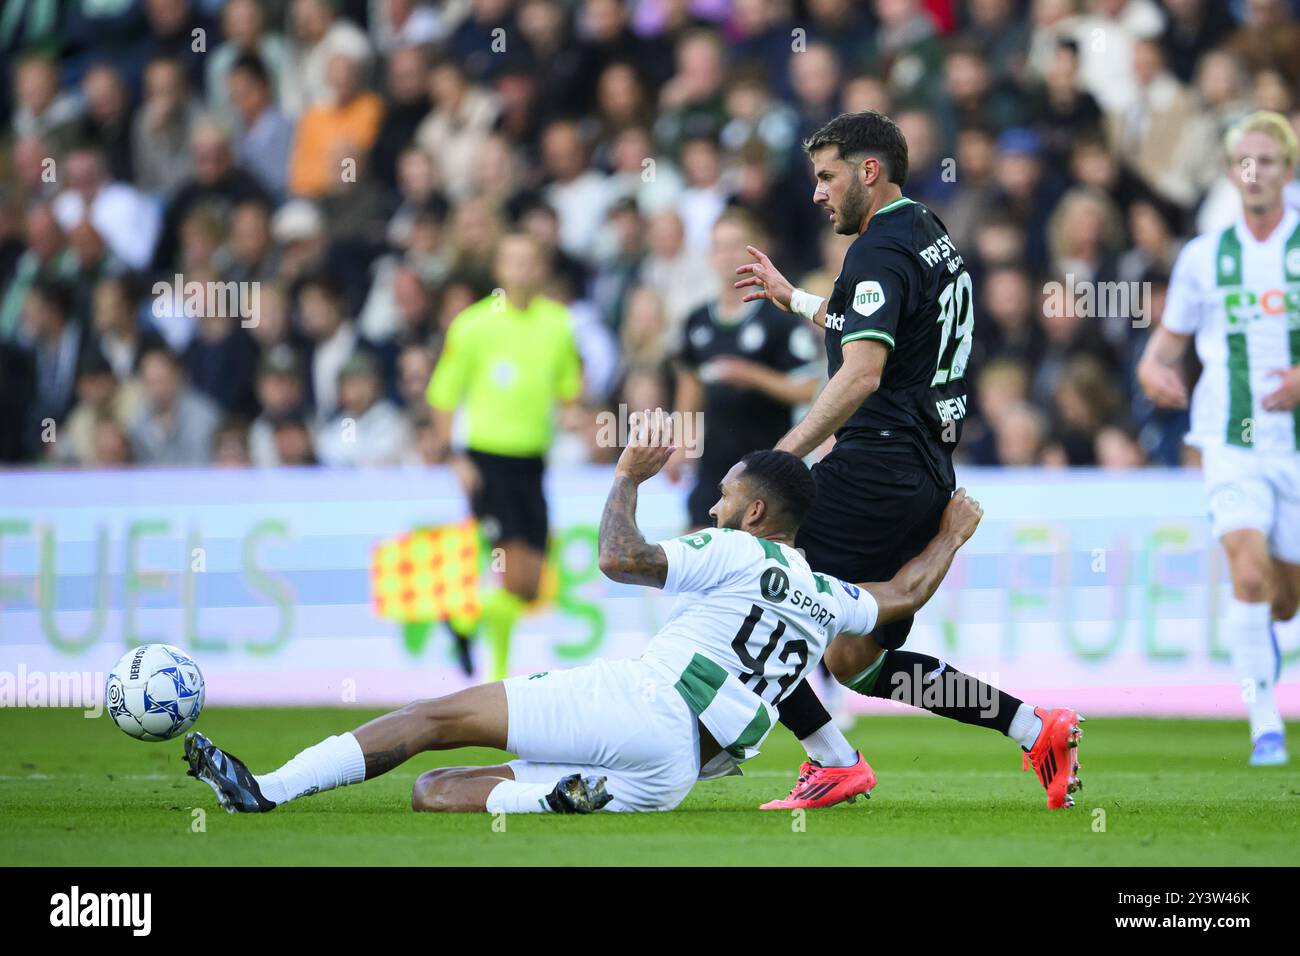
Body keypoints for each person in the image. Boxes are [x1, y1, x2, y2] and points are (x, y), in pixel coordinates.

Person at [183, 409, 994, 815]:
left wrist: (626, 479)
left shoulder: (735, 553)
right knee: (434, 788)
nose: (712, 506)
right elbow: (903, 595)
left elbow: (620, 561)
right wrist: (951, 535)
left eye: (725, 496)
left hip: (641, 707)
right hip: (676, 777)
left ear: (754, 514)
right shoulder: (820, 590)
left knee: (433, 715)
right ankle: (561, 795)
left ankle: (267, 790)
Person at [735, 110, 1081, 809]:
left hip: (875, 465)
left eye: (827, 176)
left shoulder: (876, 252)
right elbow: (880, 321)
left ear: (870, 171)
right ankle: (1034, 726)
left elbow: (861, 372)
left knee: (745, 587)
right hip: (923, 472)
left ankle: (829, 760)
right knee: (857, 660)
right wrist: (796, 298)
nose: (817, 193)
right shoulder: (928, 231)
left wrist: (778, 459)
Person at [1137, 111, 1300, 767]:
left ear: (1287, 172)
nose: (1254, 172)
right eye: (1243, 162)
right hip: (1230, 441)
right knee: (1248, 569)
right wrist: (1154, 373)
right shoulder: (1204, 256)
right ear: (1232, 175)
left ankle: (1269, 657)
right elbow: (1164, 348)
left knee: (1285, 602)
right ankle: (1265, 723)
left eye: (1267, 160)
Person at [426, 232, 583, 681]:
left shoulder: (558, 324)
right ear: (499, 269)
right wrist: (456, 457)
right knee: (514, 576)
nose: (521, 270)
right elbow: (442, 395)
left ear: (541, 268)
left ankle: (461, 619)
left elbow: (569, 391)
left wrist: (577, 417)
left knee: (532, 587)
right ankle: (497, 674)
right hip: (488, 462)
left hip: (533, 464)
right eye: (512, 261)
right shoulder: (473, 325)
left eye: (529, 260)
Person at [672, 210, 821, 530]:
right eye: (718, 246)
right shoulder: (697, 320)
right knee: (699, 559)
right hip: (712, 467)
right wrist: (679, 446)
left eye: (734, 245)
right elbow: (689, 388)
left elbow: (810, 388)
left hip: (766, 469)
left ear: (754, 251)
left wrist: (750, 375)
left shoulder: (779, 319)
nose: (725, 255)